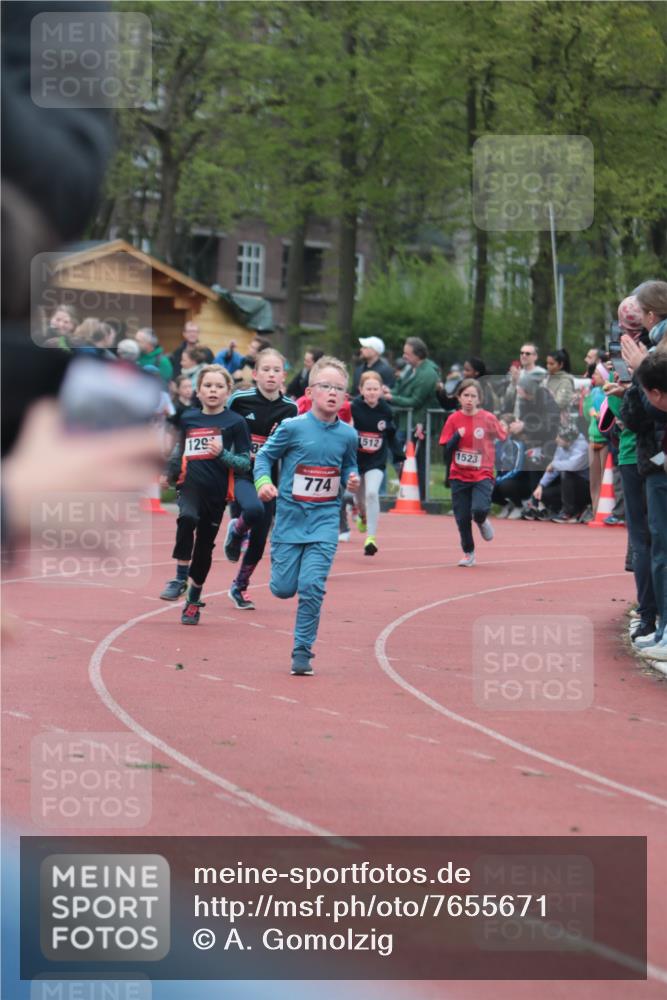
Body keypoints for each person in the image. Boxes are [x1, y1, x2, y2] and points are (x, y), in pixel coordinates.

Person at [253, 356, 359, 675]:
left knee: (312, 585)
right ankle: (243, 530)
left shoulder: (348, 435)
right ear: (311, 391)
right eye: (325, 386)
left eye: (339, 388)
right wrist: (264, 482)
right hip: (289, 520)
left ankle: (302, 650)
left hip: (325, 522)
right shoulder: (292, 427)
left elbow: (350, 464)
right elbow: (263, 459)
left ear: (344, 397)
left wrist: (352, 478)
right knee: (283, 589)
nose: (332, 392)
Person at [158, 365, 252, 624]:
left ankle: (193, 599)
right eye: (208, 386)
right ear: (198, 391)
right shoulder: (189, 418)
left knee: (204, 548)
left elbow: (245, 463)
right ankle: (179, 578)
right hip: (190, 485)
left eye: (219, 386)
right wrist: (169, 471)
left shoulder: (235, 422)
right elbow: (179, 450)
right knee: (186, 517)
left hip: (217, 493)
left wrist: (222, 454)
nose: (213, 390)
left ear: (227, 392)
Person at [224, 348, 298, 609]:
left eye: (276, 370)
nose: (270, 374)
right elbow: (221, 423)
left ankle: (239, 587)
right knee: (252, 510)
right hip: (242, 471)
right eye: (265, 369)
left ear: (283, 376)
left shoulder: (291, 408)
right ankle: (236, 529)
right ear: (255, 374)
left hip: (271, 478)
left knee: (259, 538)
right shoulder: (240, 400)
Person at [439, 379, 508, 566]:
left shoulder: (488, 418)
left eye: (473, 396)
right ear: (459, 397)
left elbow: (503, 437)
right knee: (461, 517)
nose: (469, 399)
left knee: (478, 510)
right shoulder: (453, 419)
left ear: (479, 399)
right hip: (458, 475)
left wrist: (507, 430)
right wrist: (456, 436)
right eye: (466, 395)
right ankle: (468, 552)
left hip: (482, 474)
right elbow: (446, 450)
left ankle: (482, 520)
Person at [350, 371, 403, 556]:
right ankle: (361, 513)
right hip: (356, 460)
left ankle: (370, 538)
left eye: (375, 389)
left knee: (372, 493)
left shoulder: (386, 410)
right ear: (361, 390)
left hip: (376, 460)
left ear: (381, 390)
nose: (372, 393)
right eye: (368, 389)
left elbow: (391, 434)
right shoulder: (354, 407)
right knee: (358, 497)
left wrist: (398, 455)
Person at [383, 337, 440, 501]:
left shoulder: (428, 373)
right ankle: (409, 489)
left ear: (418, 355)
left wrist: (390, 398)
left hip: (418, 423)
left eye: (407, 353)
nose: (404, 356)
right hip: (404, 422)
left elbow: (415, 401)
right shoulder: (411, 369)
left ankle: (419, 496)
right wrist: (390, 392)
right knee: (397, 456)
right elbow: (401, 390)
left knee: (417, 462)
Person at [530, 424, 590, 523]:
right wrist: (540, 485)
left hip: (584, 486)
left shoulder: (582, 446)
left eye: (560, 437)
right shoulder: (562, 446)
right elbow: (552, 470)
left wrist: (553, 464)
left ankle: (569, 513)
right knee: (543, 494)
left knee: (566, 472)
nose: (556, 439)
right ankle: (557, 509)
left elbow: (572, 466)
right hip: (568, 486)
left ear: (569, 440)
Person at [502, 343, 546, 415]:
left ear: (535, 356)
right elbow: (507, 399)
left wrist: (526, 396)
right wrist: (513, 381)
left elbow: (545, 398)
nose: (524, 355)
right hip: (517, 416)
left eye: (527, 353)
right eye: (522, 353)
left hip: (534, 417)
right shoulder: (516, 373)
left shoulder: (541, 374)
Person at [544, 348, 575, 414]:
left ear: (560, 365)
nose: (548, 366)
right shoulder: (546, 378)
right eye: (547, 363)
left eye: (551, 364)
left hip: (558, 421)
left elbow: (559, 404)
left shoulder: (566, 382)